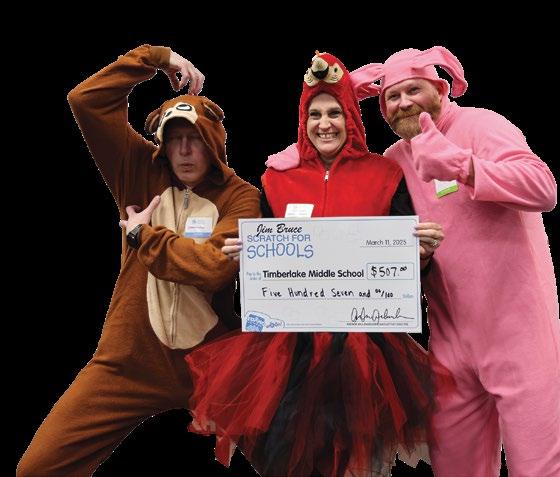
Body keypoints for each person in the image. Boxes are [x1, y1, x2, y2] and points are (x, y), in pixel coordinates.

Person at [183, 52, 452, 477]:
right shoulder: (276, 180)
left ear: (351, 118)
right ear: (302, 120)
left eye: (334, 113)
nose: (324, 124)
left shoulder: (385, 174)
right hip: (288, 350)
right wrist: (247, 260)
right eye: (314, 114)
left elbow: (403, 270)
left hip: (366, 350)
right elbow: (263, 279)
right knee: (285, 458)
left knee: (353, 459)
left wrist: (420, 256)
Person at [17, 44, 260, 476]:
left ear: (214, 143)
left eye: (195, 139)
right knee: (38, 469)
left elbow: (213, 268)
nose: (185, 150)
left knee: (294, 459)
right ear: (162, 144)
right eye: (175, 139)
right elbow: (86, 101)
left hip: (213, 364)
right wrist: (156, 57)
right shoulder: (138, 170)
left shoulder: (241, 197)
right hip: (129, 359)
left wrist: (141, 235)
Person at [350, 46, 560, 476]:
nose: (403, 102)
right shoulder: (393, 161)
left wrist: (460, 165)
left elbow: (543, 188)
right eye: (392, 97)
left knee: (537, 468)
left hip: (518, 335)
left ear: (440, 89)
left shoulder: (481, 124)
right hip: (448, 343)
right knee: (455, 467)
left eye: (413, 90)